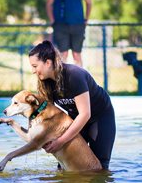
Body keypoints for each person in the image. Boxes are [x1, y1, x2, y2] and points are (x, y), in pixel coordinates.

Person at [28, 40, 115, 170]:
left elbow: (85, 114)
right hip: (76, 117)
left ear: (48, 62)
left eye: (35, 66)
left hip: (99, 117)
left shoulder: (74, 75)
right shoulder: (45, 83)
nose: (33, 71)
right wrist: (32, 123)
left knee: (99, 168)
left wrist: (61, 141)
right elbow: (45, 110)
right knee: (64, 165)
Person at [46, 0, 92, 68]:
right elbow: (48, 3)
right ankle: (61, 82)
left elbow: (89, 2)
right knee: (63, 55)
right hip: (61, 25)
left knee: (77, 55)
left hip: (78, 24)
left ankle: (80, 82)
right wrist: (52, 20)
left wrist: (86, 19)